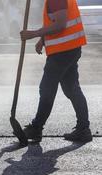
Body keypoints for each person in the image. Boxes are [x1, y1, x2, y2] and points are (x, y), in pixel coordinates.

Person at [20, 0, 92, 143]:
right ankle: (84, 129)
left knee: (47, 88)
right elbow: (54, 20)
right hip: (70, 48)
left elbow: (60, 24)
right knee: (71, 89)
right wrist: (43, 39)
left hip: (63, 52)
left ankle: (36, 127)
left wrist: (34, 33)